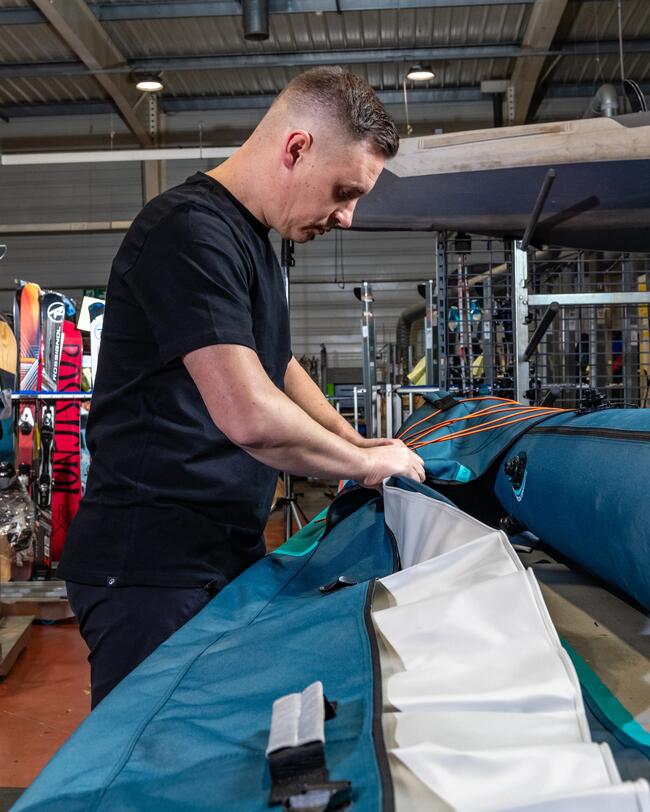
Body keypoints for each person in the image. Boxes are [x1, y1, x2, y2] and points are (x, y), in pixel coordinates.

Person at [58, 67, 425, 708]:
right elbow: (249, 414)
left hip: (219, 551)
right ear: (296, 148)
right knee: (160, 754)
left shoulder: (253, 237)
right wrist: (364, 466)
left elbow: (277, 364)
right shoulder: (188, 231)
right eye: (344, 192)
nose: (346, 217)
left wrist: (354, 438)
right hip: (152, 569)